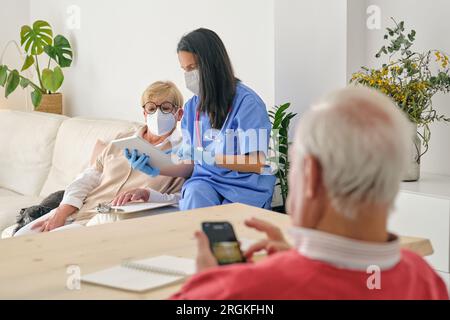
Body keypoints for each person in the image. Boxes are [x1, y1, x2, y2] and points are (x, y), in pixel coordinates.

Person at [170, 86, 449, 300]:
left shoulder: (242, 290)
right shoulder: (425, 280)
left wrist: (207, 283)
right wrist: (295, 258)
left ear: (311, 175)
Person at [123, 28, 276, 211]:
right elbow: (189, 166)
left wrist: (209, 157)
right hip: (206, 183)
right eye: (184, 69)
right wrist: (154, 165)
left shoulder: (248, 104)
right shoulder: (191, 109)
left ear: (213, 65)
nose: (188, 75)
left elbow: (256, 162)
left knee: (230, 221)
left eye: (193, 68)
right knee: (195, 194)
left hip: (244, 188)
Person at [14, 81, 185, 236]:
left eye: (166, 107)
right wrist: (61, 212)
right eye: (152, 108)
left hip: (108, 221)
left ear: (179, 114)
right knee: (20, 238)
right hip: (79, 210)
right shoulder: (121, 140)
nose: (158, 114)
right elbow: (87, 178)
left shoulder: (182, 155)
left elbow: (181, 200)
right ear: (144, 113)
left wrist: (148, 194)